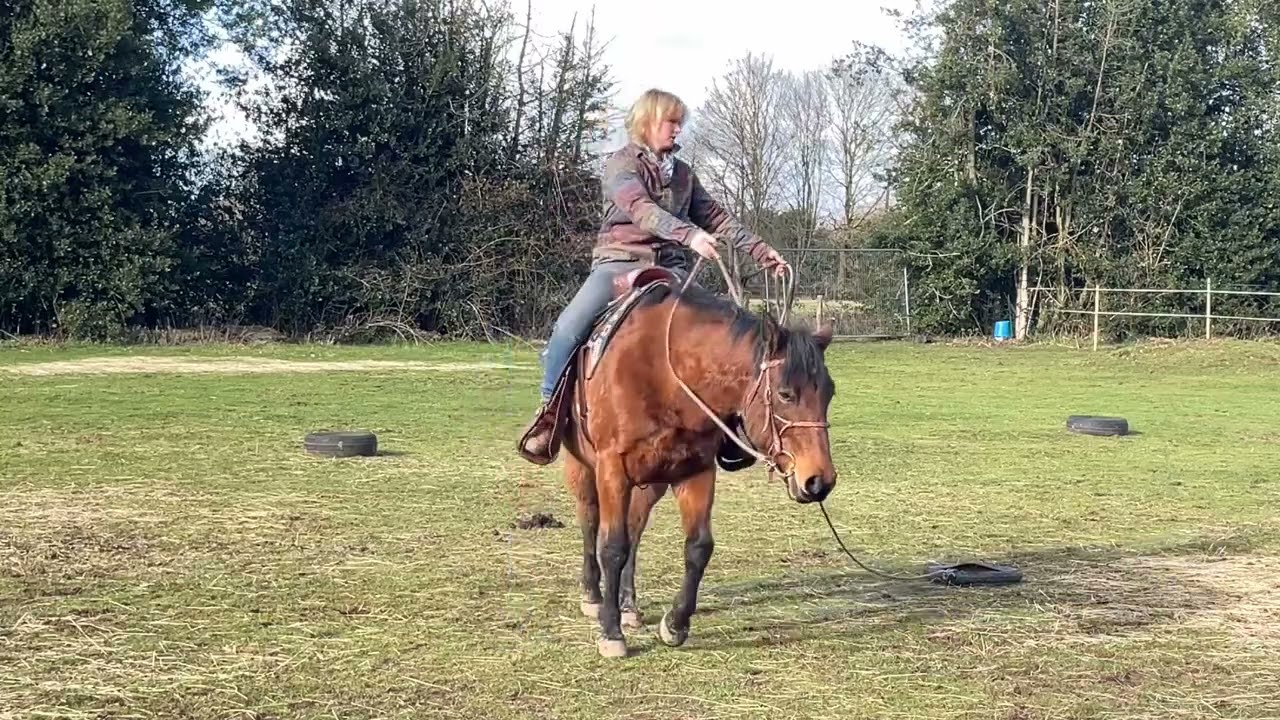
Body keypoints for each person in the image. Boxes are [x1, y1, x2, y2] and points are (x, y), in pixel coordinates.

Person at [517, 88, 790, 463]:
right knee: (568, 326)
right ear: (648, 122)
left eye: (681, 123)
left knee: (724, 328)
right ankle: (549, 413)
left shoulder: (683, 174)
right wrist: (689, 234)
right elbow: (641, 209)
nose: (678, 130)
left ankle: (729, 425)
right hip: (620, 264)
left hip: (672, 270)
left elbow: (716, 217)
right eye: (671, 122)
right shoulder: (620, 165)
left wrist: (762, 251)